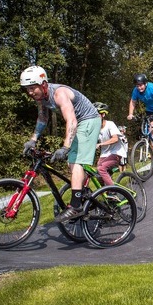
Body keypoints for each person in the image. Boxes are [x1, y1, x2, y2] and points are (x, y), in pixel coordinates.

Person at [20, 65, 101, 222]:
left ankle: (76, 205)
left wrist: (65, 147)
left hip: (89, 120)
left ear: (43, 84)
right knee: (72, 164)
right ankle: (85, 195)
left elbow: (71, 121)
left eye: (32, 88)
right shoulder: (41, 98)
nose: (30, 92)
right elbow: (43, 119)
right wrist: (33, 139)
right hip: (78, 123)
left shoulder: (59, 93)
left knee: (77, 162)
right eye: (27, 89)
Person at [94, 102, 128, 186]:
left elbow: (115, 139)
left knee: (101, 169)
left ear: (103, 115)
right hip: (105, 154)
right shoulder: (95, 128)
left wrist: (100, 144)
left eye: (97, 115)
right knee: (97, 174)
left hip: (116, 152)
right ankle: (105, 193)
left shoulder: (110, 124)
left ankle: (112, 191)